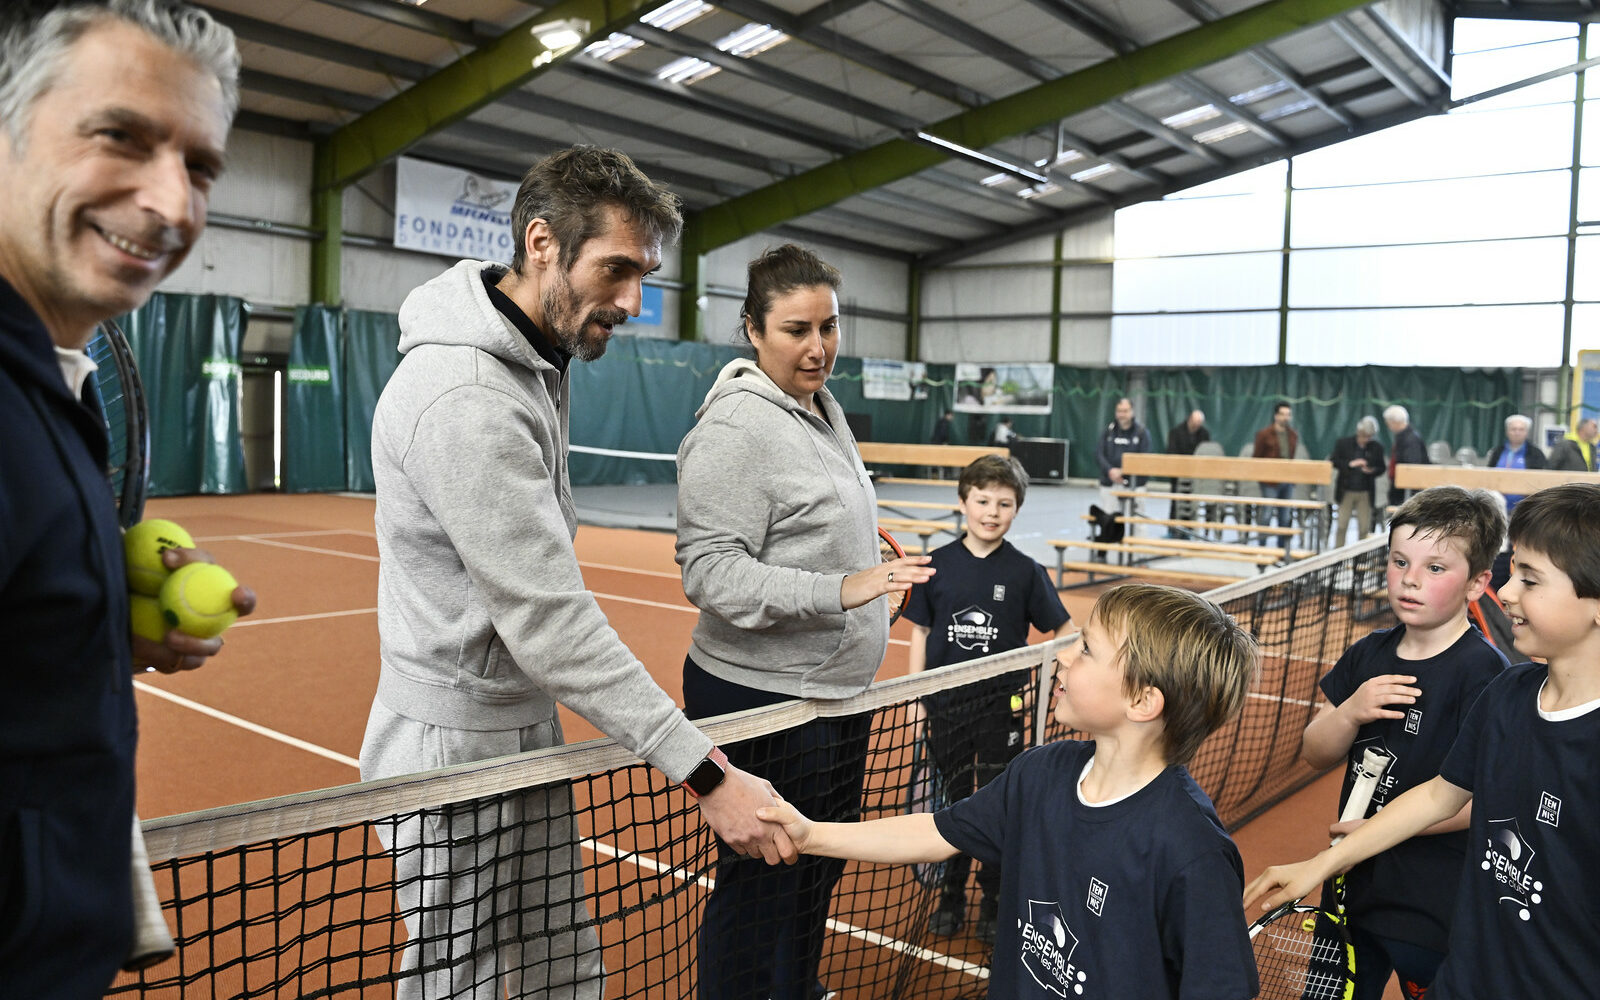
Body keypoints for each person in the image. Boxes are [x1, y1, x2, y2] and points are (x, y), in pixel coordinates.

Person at [359, 147, 789, 1000]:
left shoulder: (537, 353)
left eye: (644, 275)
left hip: (518, 726)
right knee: (465, 984)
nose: (633, 302)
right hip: (454, 750)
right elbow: (552, 622)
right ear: (543, 243)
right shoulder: (465, 396)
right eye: (617, 270)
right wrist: (708, 772)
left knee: (559, 966)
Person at [0, 3, 257, 995]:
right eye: (121, 136)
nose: (171, 201)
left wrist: (81, 622)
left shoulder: (54, 371)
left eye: (199, 166)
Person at [759, 585, 1261, 1000]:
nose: (1064, 656)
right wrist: (811, 835)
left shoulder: (1192, 852)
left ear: (1142, 700)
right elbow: (937, 830)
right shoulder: (1040, 773)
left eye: (1086, 649)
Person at [675, 243, 934, 1000]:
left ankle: (798, 987)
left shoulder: (820, 406)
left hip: (833, 694)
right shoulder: (734, 431)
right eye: (796, 329)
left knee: (816, 862)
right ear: (753, 329)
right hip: (762, 697)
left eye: (829, 325)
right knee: (763, 883)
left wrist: (868, 591)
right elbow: (710, 573)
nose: (818, 346)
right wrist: (844, 589)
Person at [1247, 482, 1600, 998]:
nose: (1507, 593)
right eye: (1512, 571)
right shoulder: (1509, 694)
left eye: (1530, 578)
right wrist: (1319, 865)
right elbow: (1439, 794)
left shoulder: (1490, 676)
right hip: (1471, 971)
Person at [1299, 487, 1509, 999]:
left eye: (1436, 568)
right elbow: (1315, 752)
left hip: (1432, 900)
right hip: (1350, 887)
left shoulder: (1487, 674)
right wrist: (1351, 710)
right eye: (1399, 561)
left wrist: (1382, 828)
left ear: (1478, 583)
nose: (1410, 579)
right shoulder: (1367, 654)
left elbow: (1484, 798)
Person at [901, 455, 1070, 944]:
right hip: (945, 708)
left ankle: (993, 901)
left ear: (1016, 510)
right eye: (981, 501)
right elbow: (922, 634)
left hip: (1004, 711)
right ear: (962, 503)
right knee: (953, 802)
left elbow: (1062, 630)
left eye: (1004, 503)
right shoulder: (936, 566)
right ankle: (950, 896)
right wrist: (915, 699)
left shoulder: (1026, 572)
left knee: (999, 803)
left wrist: (1062, 674)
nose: (991, 512)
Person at [1328, 416, 1386, 546]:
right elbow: (1334, 461)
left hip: (1365, 492)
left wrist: (1371, 470)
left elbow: (1382, 468)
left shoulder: (1376, 447)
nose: (1366, 439)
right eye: (1364, 436)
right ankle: (1338, 556)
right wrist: (1350, 464)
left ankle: (1361, 558)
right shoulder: (1343, 443)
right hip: (1346, 490)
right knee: (1342, 525)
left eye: (1369, 436)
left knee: (1364, 528)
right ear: (1359, 432)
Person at [1251, 400, 1299, 549]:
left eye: (1288, 414)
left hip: (1287, 480)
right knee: (1266, 515)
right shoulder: (1264, 434)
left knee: (1285, 517)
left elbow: (1291, 457)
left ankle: (1282, 550)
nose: (1285, 417)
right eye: (1283, 414)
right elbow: (1256, 458)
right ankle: (1262, 548)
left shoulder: (1292, 435)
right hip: (1270, 481)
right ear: (1276, 415)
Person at [1094, 396, 1152, 514]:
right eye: (1119, 411)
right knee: (1109, 521)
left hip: (1135, 484)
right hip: (1110, 482)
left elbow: (1144, 458)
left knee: (1138, 522)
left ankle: (1136, 533)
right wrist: (1110, 471)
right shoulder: (1108, 431)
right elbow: (1099, 453)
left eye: (1125, 411)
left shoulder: (1142, 432)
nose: (1122, 414)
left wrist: (1123, 471)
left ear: (1132, 412)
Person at [1485, 414, 1546, 516]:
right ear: (1507, 432)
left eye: (1521, 429)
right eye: (1513, 429)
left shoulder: (1535, 453)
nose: (1517, 433)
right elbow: (1488, 474)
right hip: (1496, 508)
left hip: (1525, 509)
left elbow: (1540, 480)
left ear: (1526, 432)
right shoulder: (1497, 451)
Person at [1165, 409, 1210, 526]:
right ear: (1190, 419)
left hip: (1195, 475)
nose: (1196, 426)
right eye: (1195, 423)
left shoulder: (1204, 434)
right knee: (1175, 501)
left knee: (1192, 502)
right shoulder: (1175, 432)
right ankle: (1173, 528)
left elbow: (1206, 453)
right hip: (1178, 474)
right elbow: (1171, 453)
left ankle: (1189, 528)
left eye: (1198, 424)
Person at [1384, 404, 1429, 507]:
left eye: (1388, 423)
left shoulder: (1411, 439)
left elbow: (1412, 468)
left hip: (1406, 491)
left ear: (1395, 422)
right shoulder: (1402, 437)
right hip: (1399, 486)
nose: (1388, 426)